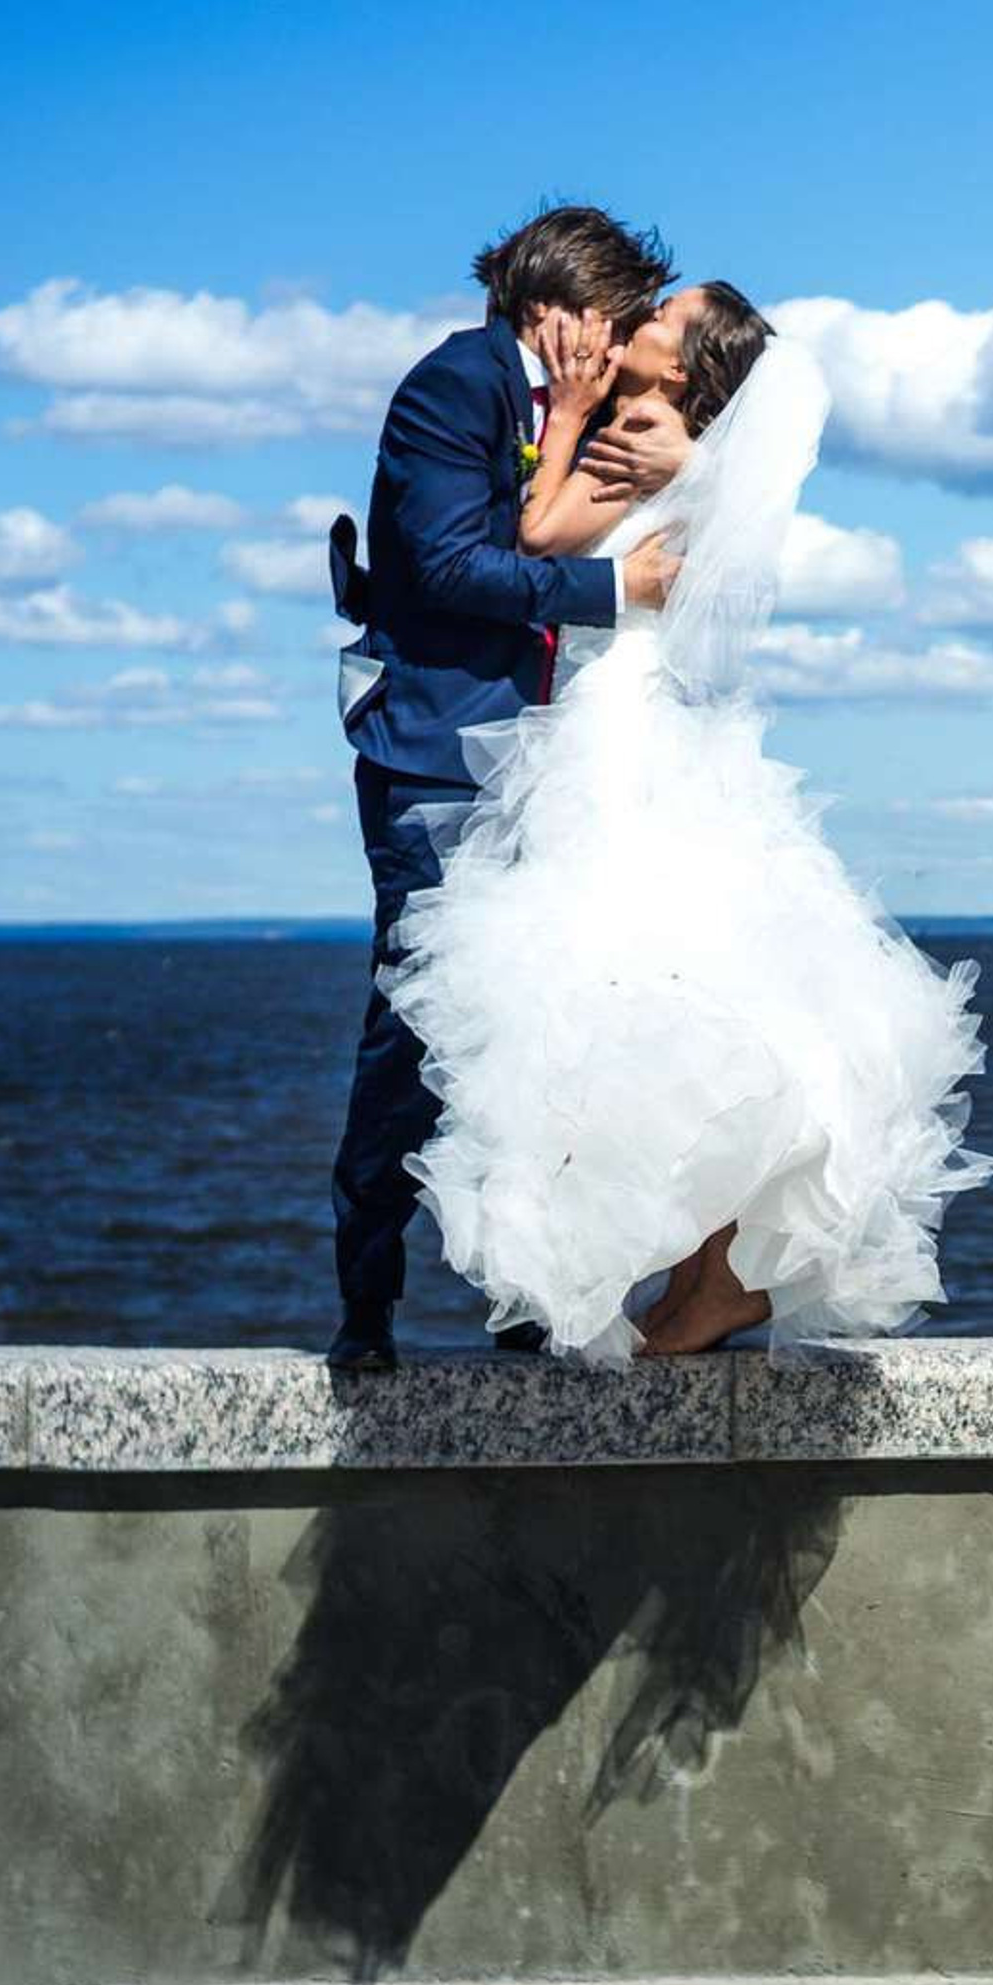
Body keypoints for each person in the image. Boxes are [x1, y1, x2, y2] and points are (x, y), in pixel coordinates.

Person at [376, 278, 993, 1361]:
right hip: (652, 713)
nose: (633, 324)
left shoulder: (644, 424)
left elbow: (538, 533)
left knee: (631, 988)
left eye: (658, 319)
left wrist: (566, 416)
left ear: (683, 369)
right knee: (697, 987)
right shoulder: (688, 441)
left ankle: (697, 1277)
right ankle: (711, 1276)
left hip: (610, 724)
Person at [326, 206, 684, 1372]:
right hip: (439, 750)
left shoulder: (580, 406)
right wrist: (617, 590)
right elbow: (448, 564)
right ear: (556, 312)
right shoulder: (453, 385)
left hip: (552, 759)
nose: (623, 339)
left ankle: (525, 1292)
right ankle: (365, 1308)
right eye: (614, 316)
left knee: (543, 1022)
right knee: (423, 1020)